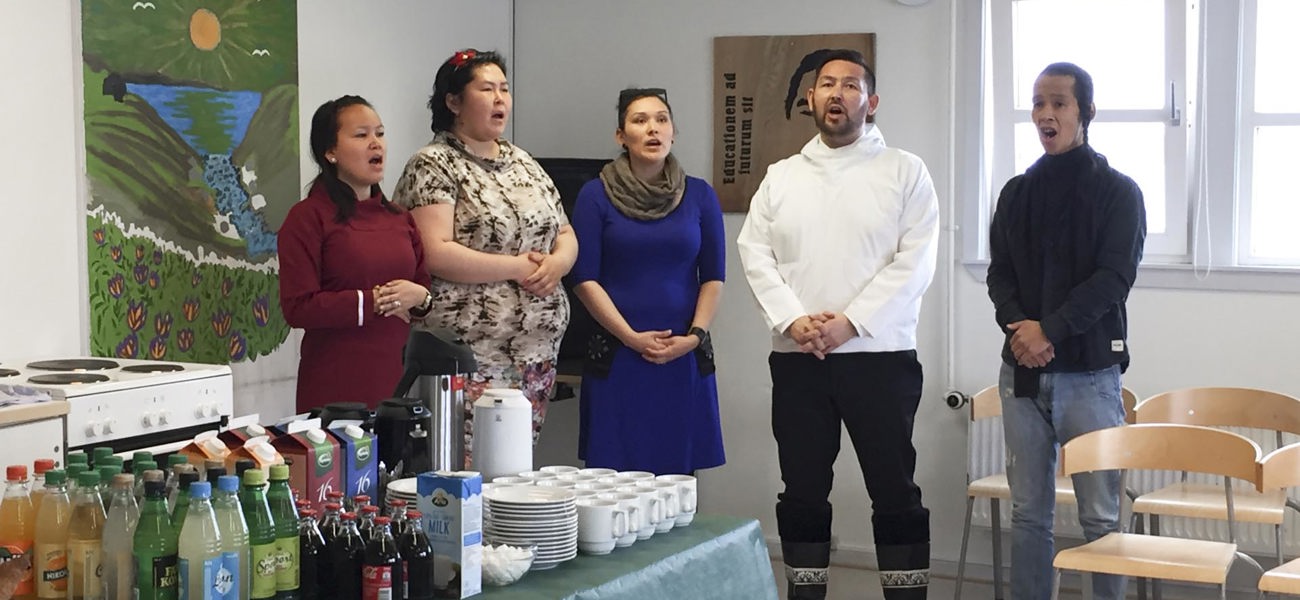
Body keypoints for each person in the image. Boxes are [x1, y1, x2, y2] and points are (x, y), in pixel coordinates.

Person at [737, 49, 938, 600]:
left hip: (880, 358)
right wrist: (794, 320)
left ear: (871, 103)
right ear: (810, 99)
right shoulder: (781, 176)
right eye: (827, 84)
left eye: (851, 85)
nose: (837, 94)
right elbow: (755, 253)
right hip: (799, 359)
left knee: (894, 489)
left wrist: (851, 322)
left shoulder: (904, 170)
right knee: (802, 490)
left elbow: (916, 261)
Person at [986, 62, 1146, 600]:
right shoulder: (1016, 193)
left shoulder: (1118, 192)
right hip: (1022, 374)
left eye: (1058, 103)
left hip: (1090, 375)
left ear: (1086, 112)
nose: (1045, 114)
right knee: (1029, 514)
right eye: (1038, 103)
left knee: (1100, 516)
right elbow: (1000, 275)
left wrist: (1048, 330)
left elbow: (1113, 279)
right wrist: (1022, 331)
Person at [393, 49, 574, 460]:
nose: (499, 99)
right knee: (469, 470)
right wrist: (518, 268)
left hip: (537, 355)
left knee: (514, 470)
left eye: (504, 89)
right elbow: (435, 251)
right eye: (486, 89)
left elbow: (564, 231)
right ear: (453, 102)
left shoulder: (522, 161)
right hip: (470, 356)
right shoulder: (433, 163)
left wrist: (558, 263)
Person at [569, 87, 726, 475]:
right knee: (613, 477)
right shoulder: (595, 195)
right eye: (640, 121)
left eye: (662, 120)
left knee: (677, 479)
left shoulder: (700, 195)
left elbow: (713, 276)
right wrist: (631, 338)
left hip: (682, 353)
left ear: (674, 132)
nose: (653, 129)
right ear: (621, 136)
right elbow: (584, 277)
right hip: (619, 353)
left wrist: (694, 336)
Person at [278, 96, 434, 414]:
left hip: (397, 380)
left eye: (380, 133)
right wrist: (372, 301)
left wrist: (421, 298)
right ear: (330, 152)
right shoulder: (307, 217)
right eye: (361, 135)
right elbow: (298, 307)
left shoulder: (400, 218)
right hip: (334, 384)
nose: (376, 143)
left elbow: (422, 290)